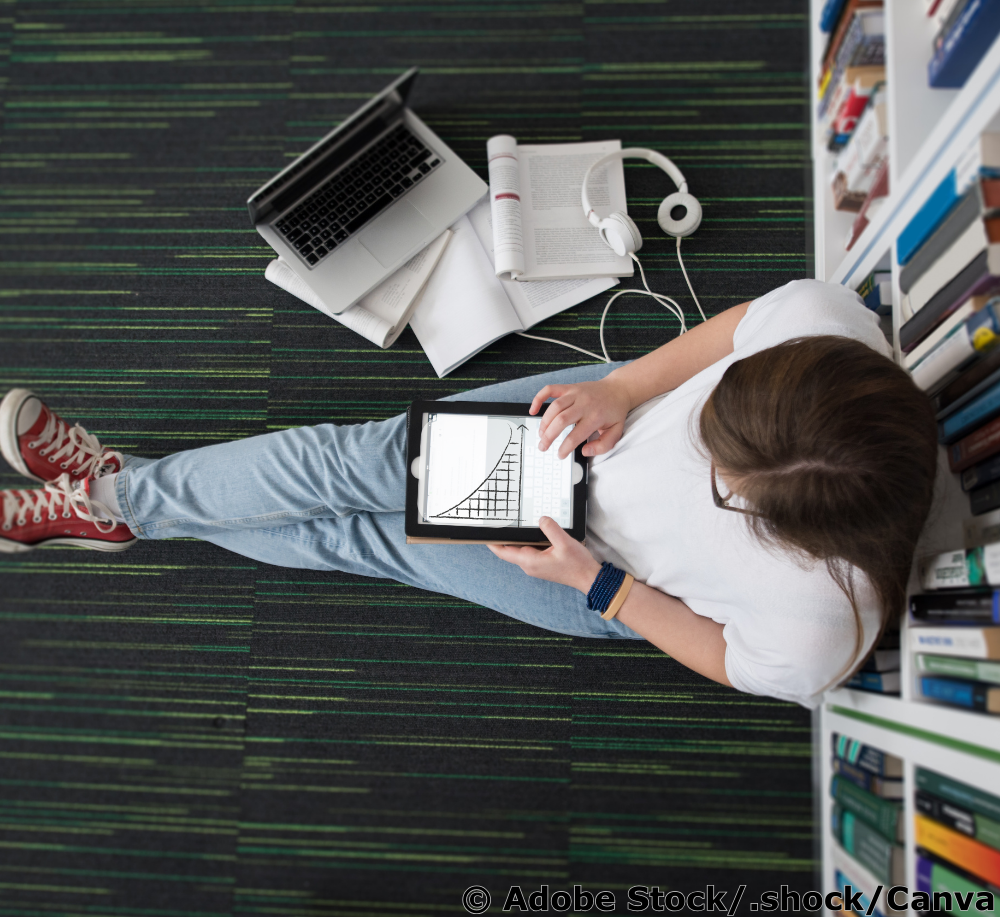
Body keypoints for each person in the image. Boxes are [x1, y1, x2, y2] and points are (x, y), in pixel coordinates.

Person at [0, 279, 938, 708]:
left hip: (599, 572)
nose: (705, 459)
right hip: (591, 424)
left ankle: (114, 498)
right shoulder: (826, 329)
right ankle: (119, 500)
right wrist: (623, 390)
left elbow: (727, 655)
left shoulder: (824, 628)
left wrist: (597, 587)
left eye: (722, 485)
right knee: (343, 464)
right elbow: (732, 330)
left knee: (356, 541)